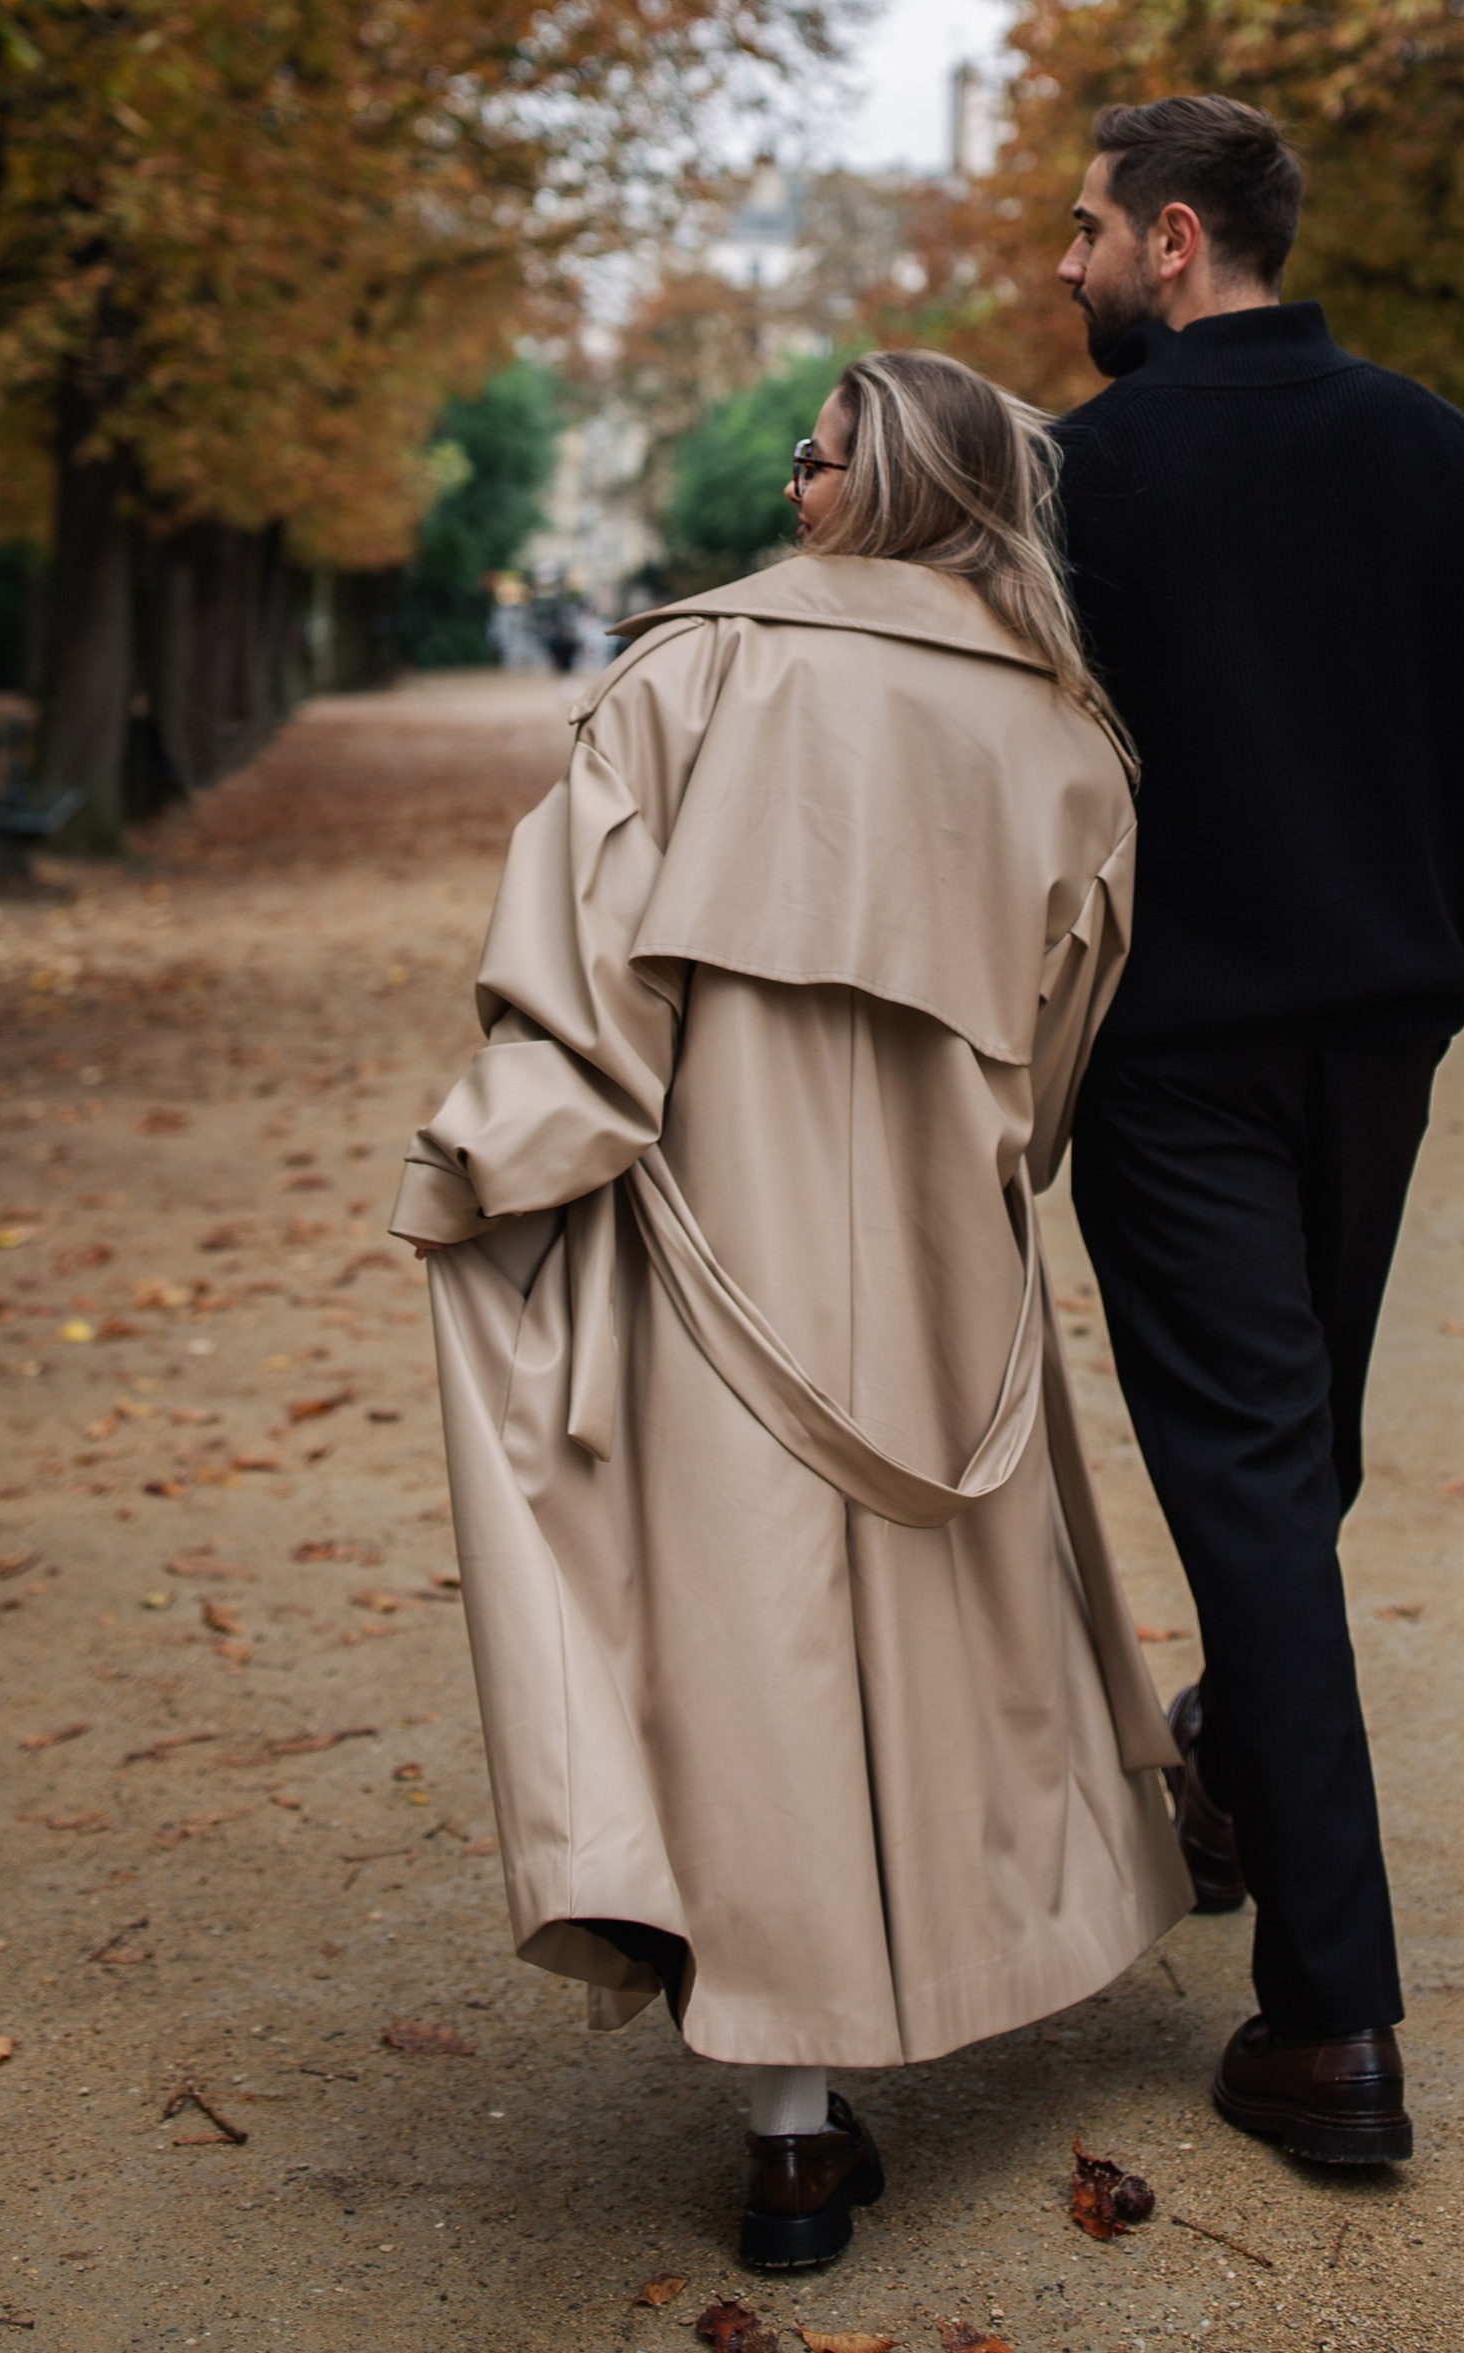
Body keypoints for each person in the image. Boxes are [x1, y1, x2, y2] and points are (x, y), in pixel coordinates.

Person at [389, 350, 1190, 2271]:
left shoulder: (685, 677)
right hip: (942, 1275)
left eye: (822, 463)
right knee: (931, 1649)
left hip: (701, 1255)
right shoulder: (1072, 744)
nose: (793, 491)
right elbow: (1059, 1059)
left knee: (751, 1659)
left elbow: (580, 1007)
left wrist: (486, 1164)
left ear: (898, 483)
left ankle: (793, 2131)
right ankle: (942, 1981)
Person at [1048, 93, 1464, 2172]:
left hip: (1166, 1062)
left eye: (1078, 234)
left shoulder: (1072, 479)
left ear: (1170, 238)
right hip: (1372, 1055)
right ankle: (1239, 1747)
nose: (1056, 270)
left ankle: (1325, 2022)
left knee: (1263, 1464)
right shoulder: (1437, 454)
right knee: (1289, 1452)